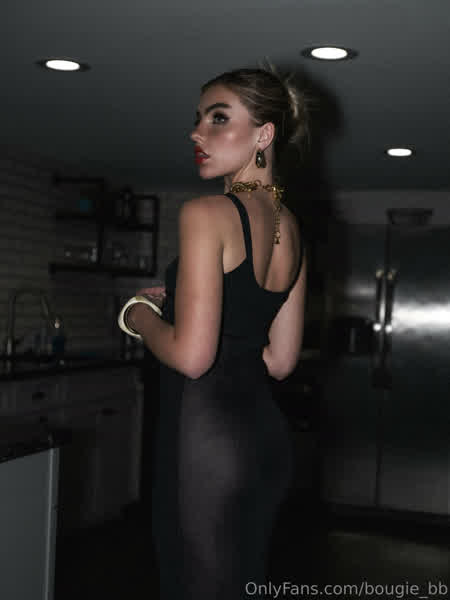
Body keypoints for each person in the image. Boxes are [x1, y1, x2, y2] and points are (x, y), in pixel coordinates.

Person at [118, 65, 309, 599]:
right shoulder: (290, 225)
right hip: (263, 440)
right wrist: (190, 307)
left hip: (206, 440)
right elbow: (279, 361)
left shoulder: (206, 213)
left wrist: (139, 316)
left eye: (218, 118)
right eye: (199, 119)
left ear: (263, 135)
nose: (196, 133)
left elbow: (194, 357)